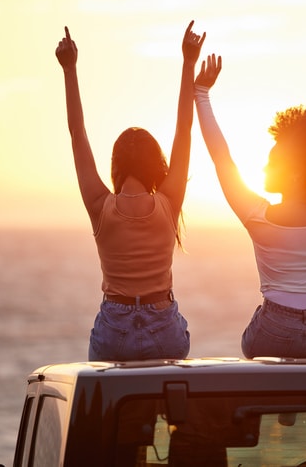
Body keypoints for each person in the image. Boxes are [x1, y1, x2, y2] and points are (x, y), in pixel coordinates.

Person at [194, 49, 306, 358]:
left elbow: (222, 159)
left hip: (274, 330)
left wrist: (201, 94)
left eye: (273, 162)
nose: (264, 168)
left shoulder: (256, 215)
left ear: (295, 174)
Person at [55, 21, 206, 361]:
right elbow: (185, 129)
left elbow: (77, 132)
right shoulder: (169, 202)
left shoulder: (100, 205)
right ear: (155, 165)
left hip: (114, 329)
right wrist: (188, 62)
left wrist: (70, 70)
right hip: (163, 327)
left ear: (116, 165)